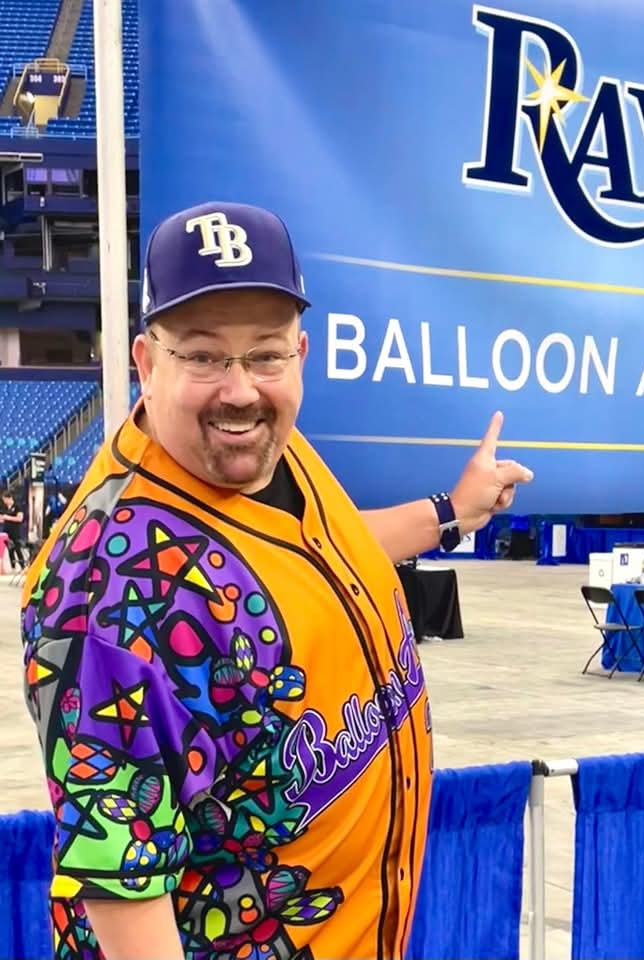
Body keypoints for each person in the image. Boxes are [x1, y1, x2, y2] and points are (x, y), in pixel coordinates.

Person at [21, 201, 533, 960]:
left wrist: (451, 513)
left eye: (264, 355)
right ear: (147, 365)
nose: (240, 390)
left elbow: (321, 553)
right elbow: (122, 882)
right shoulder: (111, 595)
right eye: (203, 356)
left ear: (299, 353)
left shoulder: (268, 450)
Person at [1, 487, 26, 569]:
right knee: (10, 549)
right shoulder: (5, 508)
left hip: (15, 531)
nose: (4, 501)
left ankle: (22, 565)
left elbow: (19, 519)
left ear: (9, 498)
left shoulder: (17, 506)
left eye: (5, 499)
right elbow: (3, 518)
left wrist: (7, 517)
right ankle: (13, 566)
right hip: (7, 531)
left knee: (17, 548)